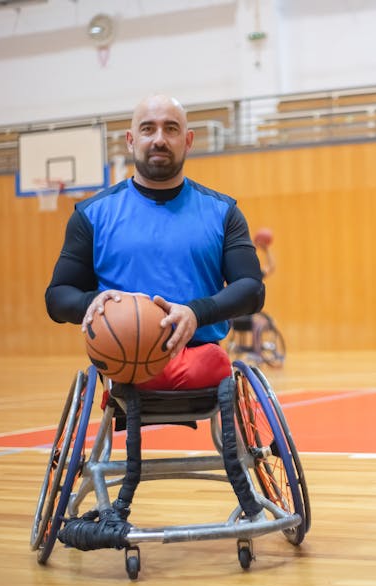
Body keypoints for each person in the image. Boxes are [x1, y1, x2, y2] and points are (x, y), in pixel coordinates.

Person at [45, 94, 265, 391]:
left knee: (212, 362)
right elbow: (57, 296)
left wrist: (195, 313)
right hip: (121, 361)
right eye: (148, 129)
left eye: (171, 129)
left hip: (198, 358)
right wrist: (91, 303)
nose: (159, 139)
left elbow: (252, 289)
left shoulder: (223, 212)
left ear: (187, 140)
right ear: (130, 140)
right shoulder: (92, 215)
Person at [230, 235, 275, 358]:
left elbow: (271, 267)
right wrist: (265, 249)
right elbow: (271, 266)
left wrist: (265, 249)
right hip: (240, 314)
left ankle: (255, 350)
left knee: (263, 320)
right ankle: (257, 352)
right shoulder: (248, 276)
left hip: (241, 313)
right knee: (261, 323)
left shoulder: (247, 275)